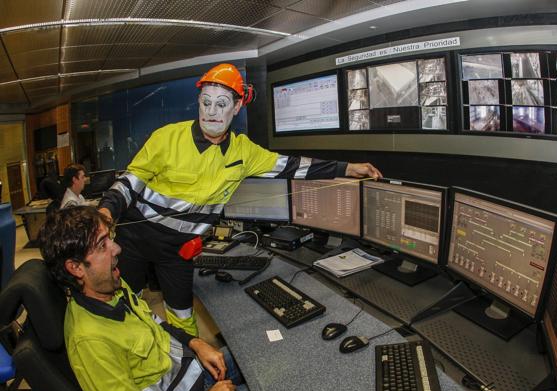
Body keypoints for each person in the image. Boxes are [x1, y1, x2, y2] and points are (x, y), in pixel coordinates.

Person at [98, 63, 383, 335]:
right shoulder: (167, 137)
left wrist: (347, 168)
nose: (211, 112)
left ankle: (189, 364)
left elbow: (294, 166)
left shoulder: (244, 152)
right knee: (123, 308)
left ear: (236, 108)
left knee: (183, 318)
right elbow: (129, 182)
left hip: (177, 251)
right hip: (133, 241)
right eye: (205, 102)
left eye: (221, 104)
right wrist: (106, 212)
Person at [39, 206, 257, 391]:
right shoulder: (90, 342)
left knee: (259, 355)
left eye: (110, 238)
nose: (117, 248)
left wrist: (196, 343)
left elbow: (154, 322)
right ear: (76, 267)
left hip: (189, 371)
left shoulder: (111, 285)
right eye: (102, 245)